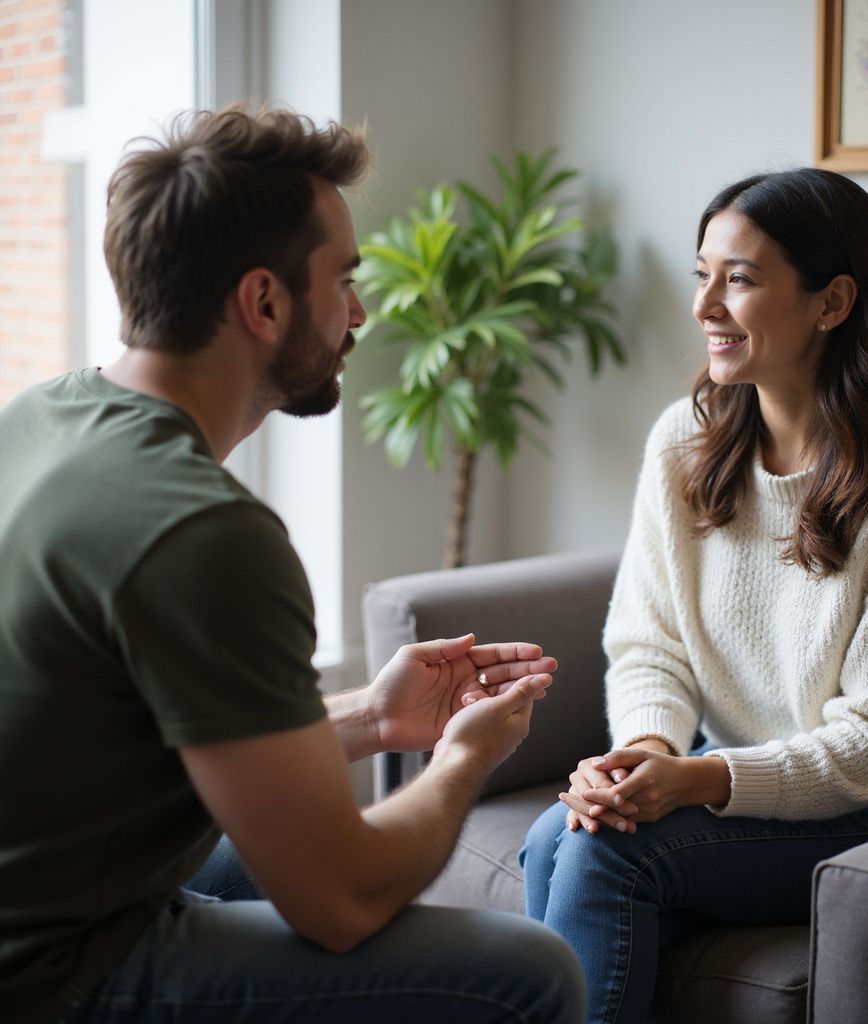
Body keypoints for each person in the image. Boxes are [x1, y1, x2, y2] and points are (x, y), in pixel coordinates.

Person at [0, 105, 585, 1023]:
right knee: (528, 974)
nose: (360, 311)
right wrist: (462, 759)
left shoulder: (41, 416)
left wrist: (370, 718)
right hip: (47, 969)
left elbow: (137, 729)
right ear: (264, 302)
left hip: (39, 885)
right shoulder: (203, 531)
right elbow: (340, 904)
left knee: (244, 862)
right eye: (343, 279)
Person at [520, 168, 868, 1024]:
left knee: (602, 858)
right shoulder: (686, 438)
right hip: (746, 779)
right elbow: (650, 644)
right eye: (702, 273)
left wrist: (695, 779)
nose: (707, 304)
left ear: (832, 302)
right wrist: (641, 755)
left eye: (739, 279)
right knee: (556, 835)